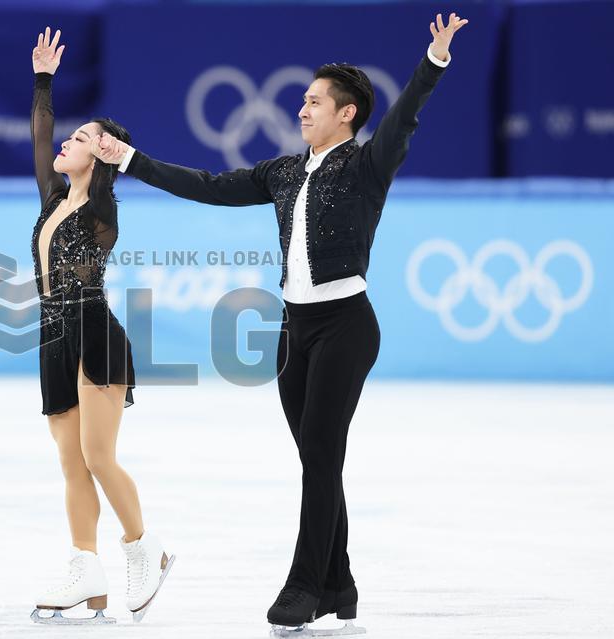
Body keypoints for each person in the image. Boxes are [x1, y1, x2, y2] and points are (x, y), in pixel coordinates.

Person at [92, 13, 468, 635]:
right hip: (294, 329)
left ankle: (304, 588)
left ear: (345, 114)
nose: (302, 109)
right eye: (303, 100)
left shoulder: (368, 166)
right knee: (319, 460)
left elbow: (404, 115)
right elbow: (208, 186)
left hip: (347, 326)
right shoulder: (284, 172)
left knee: (320, 457)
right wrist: (129, 158)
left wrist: (433, 61)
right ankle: (340, 585)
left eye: (314, 102)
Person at [27, 27, 175, 625]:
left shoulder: (101, 209)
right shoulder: (52, 200)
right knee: (69, 463)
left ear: (104, 156)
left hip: (95, 335)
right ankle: (85, 569)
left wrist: (115, 154)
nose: (68, 141)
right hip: (51, 338)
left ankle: (147, 550)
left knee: (97, 454)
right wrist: (43, 81)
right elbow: (40, 142)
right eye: (73, 134)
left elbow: (103, 191)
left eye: (83, 139)